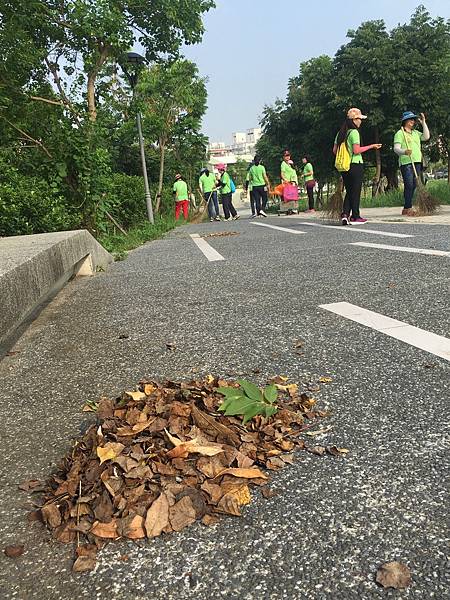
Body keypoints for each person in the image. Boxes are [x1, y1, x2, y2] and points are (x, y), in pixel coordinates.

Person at [333, 108, 382, 225]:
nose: (361, 121)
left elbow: (335, 150)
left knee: (350, 191)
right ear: (354, 120)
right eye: (360, 119)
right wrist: (372, 146)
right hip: (355, 164)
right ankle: (355, 216)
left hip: (344, 166)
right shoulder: (354, 132)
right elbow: (356, 150)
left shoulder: (340, 133)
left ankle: (345, 214)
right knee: (355, 192)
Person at [393, 111, 430, 217]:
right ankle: (407, 207)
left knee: (414, 184)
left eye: (413, 119)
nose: (413, 121)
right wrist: (404, 151)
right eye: (411, 119)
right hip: (406, 162)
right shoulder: (400, 133)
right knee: (409, 184)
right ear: (405, 121)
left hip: (417, 161)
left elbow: (426, 137)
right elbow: (396, 149)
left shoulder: (415, 133)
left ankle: (407, 206)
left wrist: (423, 122)